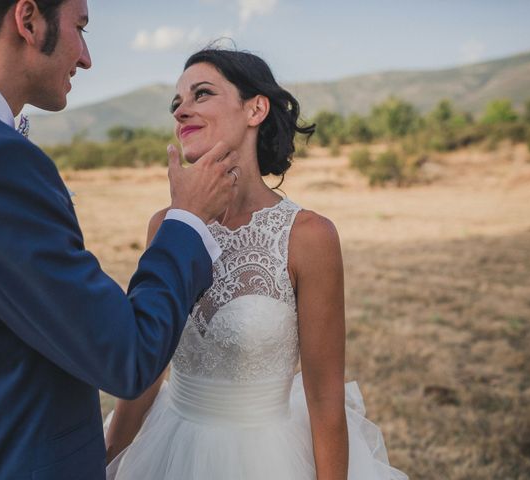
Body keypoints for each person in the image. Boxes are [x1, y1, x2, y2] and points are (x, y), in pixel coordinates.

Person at [0, 1, 238, 478]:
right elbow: (126, 355)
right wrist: (187, 220)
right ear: (29, 20)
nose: (86, 57)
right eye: (80, 27)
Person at [103, 48, 409, 480]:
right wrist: (109, 452)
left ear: (256, 109)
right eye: (176, 103)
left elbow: (323, 399)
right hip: (166, 450)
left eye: (201, 94)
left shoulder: (309, 236)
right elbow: (148, 366)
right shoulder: (166, 226)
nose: (181, 111)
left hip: (268, 458)